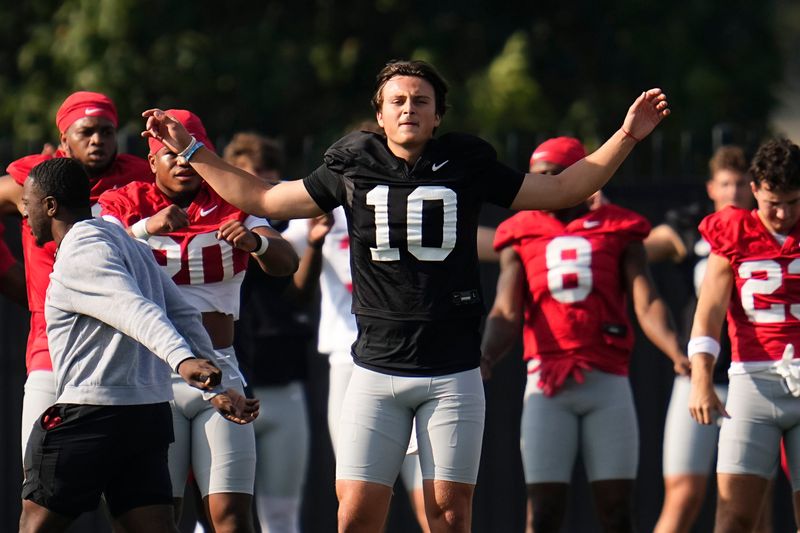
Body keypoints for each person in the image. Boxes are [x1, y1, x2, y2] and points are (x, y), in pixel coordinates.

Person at [140, 59, 669, 532]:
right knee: (355, 513)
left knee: (449, 514)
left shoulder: (466, 161)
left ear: (439, 115)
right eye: (398, 101)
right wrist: (188, 148)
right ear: (381, 112)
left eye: (421, 101)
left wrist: (625, 134)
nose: (409, 109)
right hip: (376, 364)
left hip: (451, 367)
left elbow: (562, 190)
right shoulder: (353, 160)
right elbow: (263, 195)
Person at [18, 157, 258, 533]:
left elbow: (134, 310)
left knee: (35, 524)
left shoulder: (82, 250)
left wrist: (183, 362)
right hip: (146, 416)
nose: (24, 212)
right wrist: (217, 385)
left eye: (27, 203)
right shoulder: (126, 243)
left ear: (50, 206)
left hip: (92, 413)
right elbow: (184, 314)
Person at [98, 111, 298, 533]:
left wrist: (258, 241)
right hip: (150, 374)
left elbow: (287, 262)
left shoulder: (233, 200)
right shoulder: (125, 202)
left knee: (229, 517)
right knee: (155, 518)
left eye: (187, 150)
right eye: (168, 153)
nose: (181, 161)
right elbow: (92, 258)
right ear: (151, 162)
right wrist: (143, 229)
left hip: (221, 367)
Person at [480, 137, 688, 533]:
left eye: (554, 176)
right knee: (543, 513)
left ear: (581, 177)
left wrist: (675, 350)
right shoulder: (520, 231)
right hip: (547, 382)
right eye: (538, 177)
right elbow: (506, 309)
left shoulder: (619, 227)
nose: (545, 185)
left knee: (616, 511)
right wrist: (487, 354)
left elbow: (646, 302)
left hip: (607, 378)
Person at [0, 91, 153, 466]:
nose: (98, 140)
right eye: (86, 132)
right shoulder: (33, 184)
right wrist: (10, 276)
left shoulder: (140, 178)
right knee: (38, 476)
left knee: (134, 487)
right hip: (51, 346)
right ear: (64, 139)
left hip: (121, 348)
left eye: (107, 131)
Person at [646, 146, 770, 533]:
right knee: (683, 493)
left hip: (752, 374)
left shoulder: (768, 232)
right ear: (711, 188)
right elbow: (634, 250)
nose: (733, 193)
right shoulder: (691, 229)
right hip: (699, 376)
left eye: (739, 184)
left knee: (754, 504)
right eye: (725, 184)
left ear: (752, 189)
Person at [688, 137, 800, 533]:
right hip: (752, 382)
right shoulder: (733, 230)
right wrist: (701, 380)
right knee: (734, 518)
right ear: (754, 190)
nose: (783, 213)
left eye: (793, 201)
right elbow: (709, 313)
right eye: (773, 202)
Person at [224, 132, 323, 533]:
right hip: (228, 387)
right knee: (217, 517)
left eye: (266, 173)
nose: (258, 182)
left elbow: (300, 295)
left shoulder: (295, 227)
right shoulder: (212, 224)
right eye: (248, 174)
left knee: (281, 517)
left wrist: (313, 245)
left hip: (283, 385)